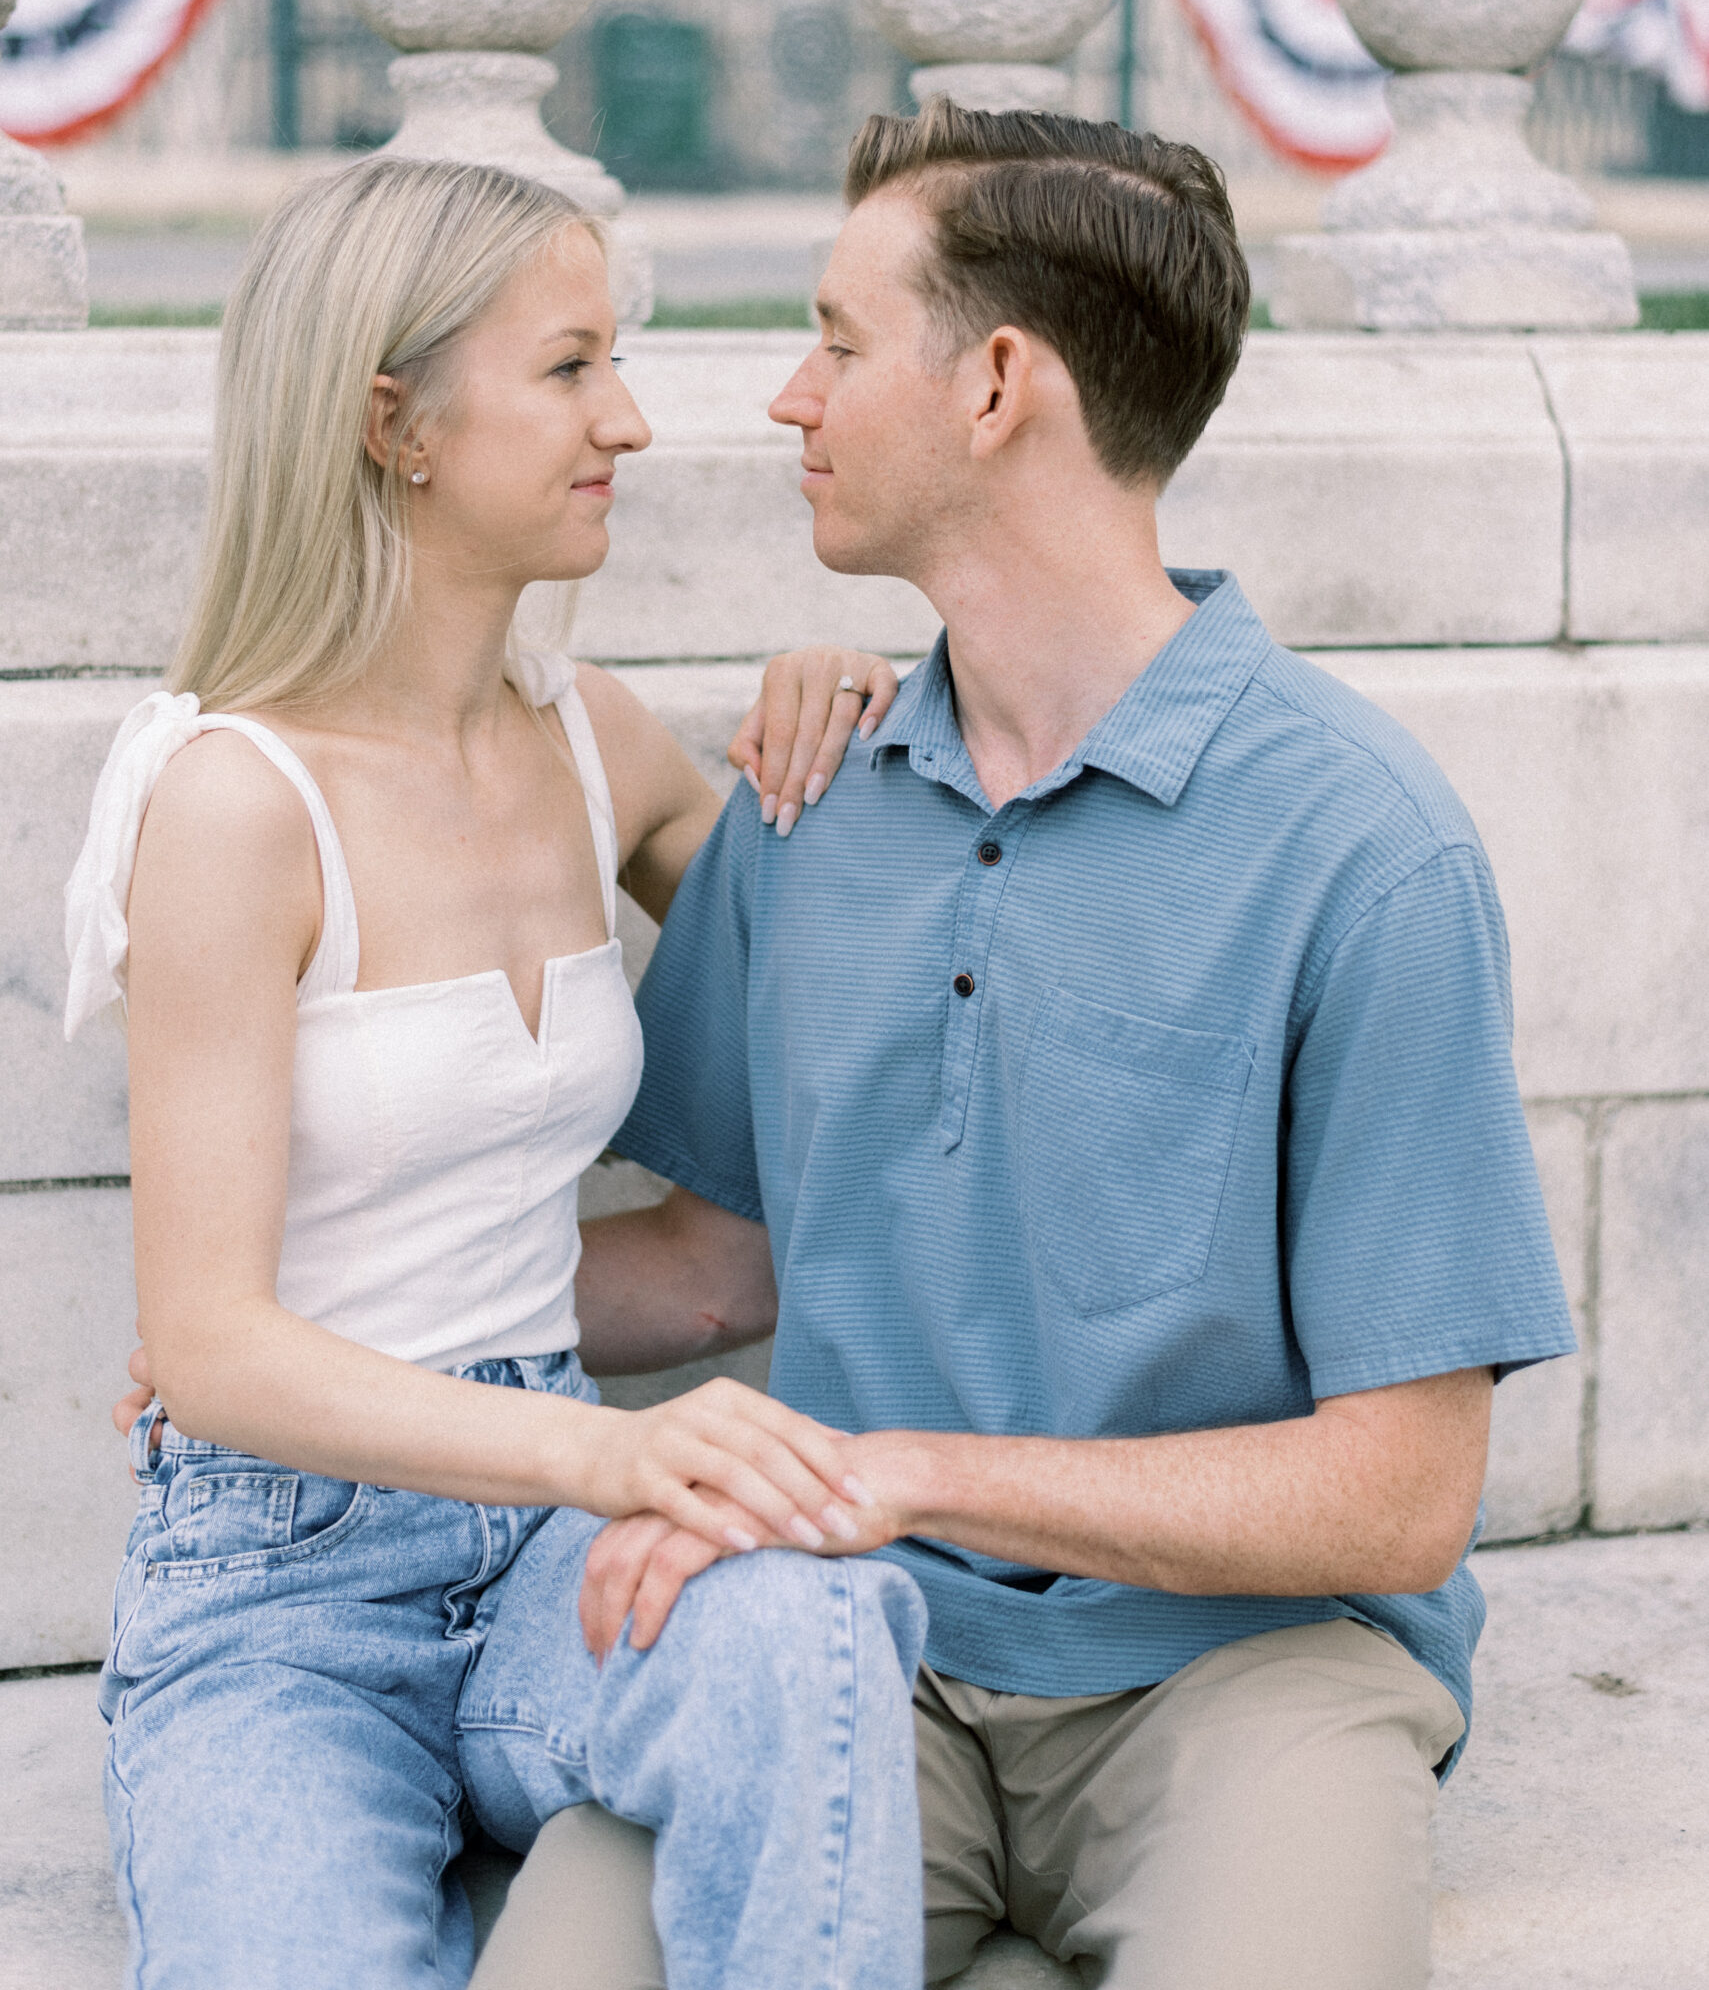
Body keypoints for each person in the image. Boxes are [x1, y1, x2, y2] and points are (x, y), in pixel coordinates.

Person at [463, 101, 1577, 1990]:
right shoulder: (809, 796)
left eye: (832, 341)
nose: (784, 403)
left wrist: (912, 1472)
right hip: (838, 1650)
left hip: (1240, 1673)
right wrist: (302, 1336)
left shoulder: (1359, 846)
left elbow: (1398, 1492)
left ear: (994, 384)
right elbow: (720, 1261)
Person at [69, 153, 929, 1990]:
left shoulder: (591, 740)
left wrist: (845, 703)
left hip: (554, 1552)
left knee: (815, 1623)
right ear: (394, 422)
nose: (627, 418)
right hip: (277, 1595)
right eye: (568, 370)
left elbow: (852, 934)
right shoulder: (235, 801)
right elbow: (208, 1344)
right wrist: (611, 1457)